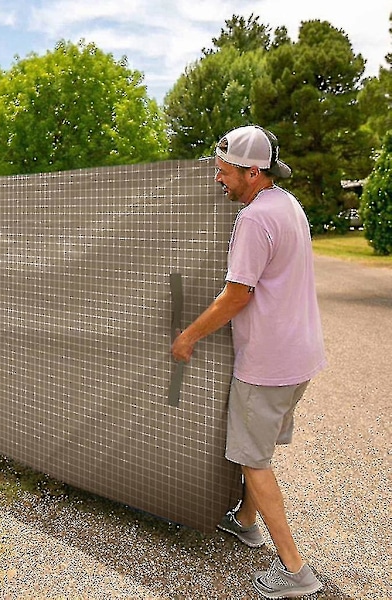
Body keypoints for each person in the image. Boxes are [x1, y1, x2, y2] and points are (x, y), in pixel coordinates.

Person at [171, 125, 327, 598]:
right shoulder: (288, 205)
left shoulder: (255, 219)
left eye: (224, 172)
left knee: (251, 460)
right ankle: (245, 521)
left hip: (268, 364)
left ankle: (295, 572)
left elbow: (237, 296)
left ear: (252, 172)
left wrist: (188, 336)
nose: (218, 180)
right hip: (300, 354)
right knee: (257, 447)